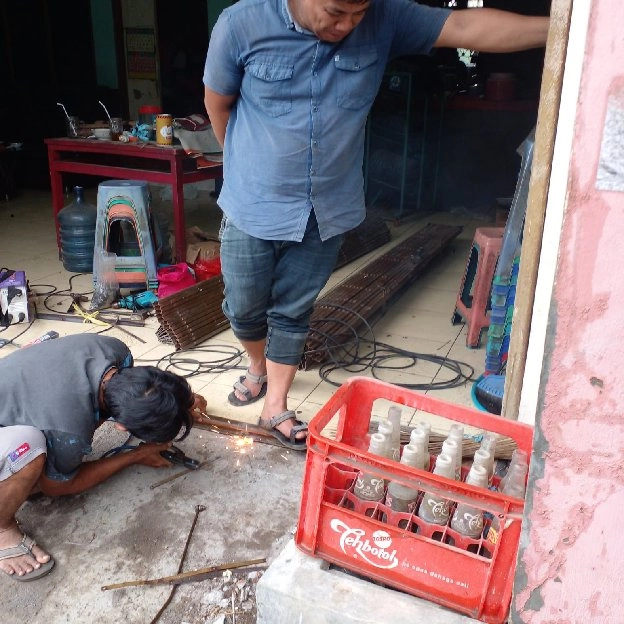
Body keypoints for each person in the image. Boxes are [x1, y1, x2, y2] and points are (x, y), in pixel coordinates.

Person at [203, 0, 549, 450]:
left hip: (326, 207)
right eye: (335, 12)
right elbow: (218, 104)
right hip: (253, 202)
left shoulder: (385, 17)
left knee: (292, 311)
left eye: (358, 14)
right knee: (244, 308)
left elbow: (467, 24)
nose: (347, 26)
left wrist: (567, 24)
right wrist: (246, 167)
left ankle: (277, 405)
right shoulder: (241, 23)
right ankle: (256, 367)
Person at [0, 333, 207, 581]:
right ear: (120, 427)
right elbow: (57, 486)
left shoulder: (115, 351)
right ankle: (3, 529)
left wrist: (180, 402)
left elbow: (148, 391)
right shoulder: (68, 430)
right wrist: (136, 455)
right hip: (28, 418)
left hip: (21, 391)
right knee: (29, 450)